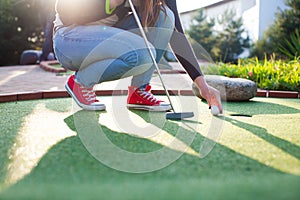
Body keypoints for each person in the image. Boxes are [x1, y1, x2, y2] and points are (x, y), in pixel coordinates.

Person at [53, 0, 223, 113]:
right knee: (143, 53)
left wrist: (202, 85)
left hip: (105, 37)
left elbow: (176, 34)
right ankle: (81, 82)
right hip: (69, 39)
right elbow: (65, 11)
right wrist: (111, 3)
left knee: (165, 17)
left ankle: (138, 91)